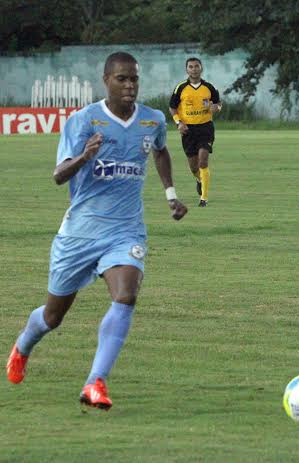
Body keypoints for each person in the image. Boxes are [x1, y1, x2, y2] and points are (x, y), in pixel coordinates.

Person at [6, 52, 188, 410]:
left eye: (134, 79)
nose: (130, 85)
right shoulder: (83, 121)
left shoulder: (151, 120)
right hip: (80, 234)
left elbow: (161, 152)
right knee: (52, 316)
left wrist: (171, 195)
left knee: (126, 296)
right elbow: (59, 176)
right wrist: (85, 158)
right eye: (122, 79)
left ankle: (94, 383)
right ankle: (23, 345)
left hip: (126, 231)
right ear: (106, 80)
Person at [169, 57, 222, 206]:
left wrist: (216, 108)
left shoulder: (209, 87)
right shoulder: (180, 88)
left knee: (203, 161)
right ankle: (199, 179)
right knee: (193, 166)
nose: (194, 69)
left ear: (201, 68)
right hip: (188, 130)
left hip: (205, 128)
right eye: (191, 67)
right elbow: (172, 107)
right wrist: (179, 123)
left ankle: (203, 198)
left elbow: (218, 104)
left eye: (196, 66)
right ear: (187, 70)